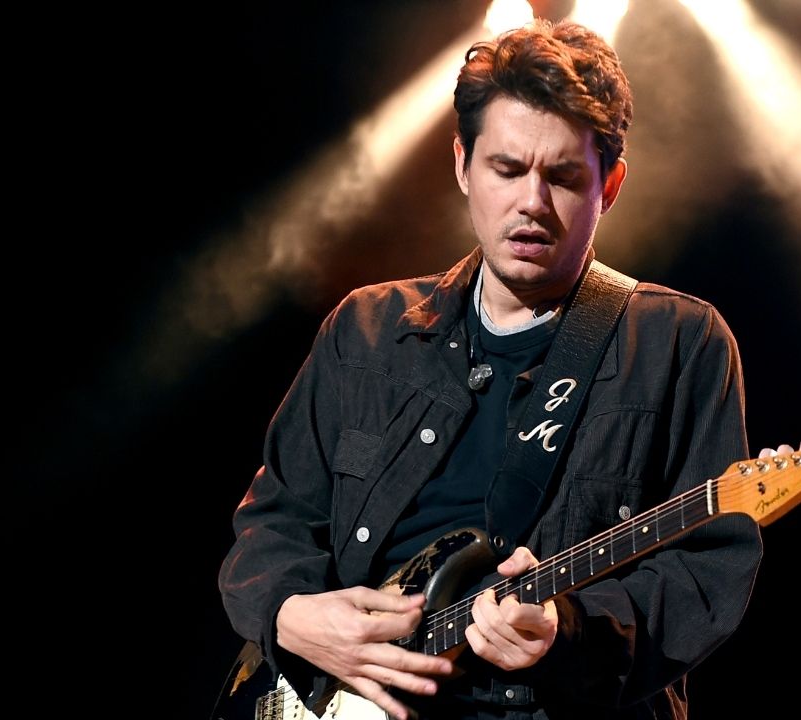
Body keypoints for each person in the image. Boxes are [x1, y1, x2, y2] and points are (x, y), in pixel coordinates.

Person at [218, 19, 763, 720]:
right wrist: (290, 614)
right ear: (462, 165)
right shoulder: (366, 329)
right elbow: (275, 518)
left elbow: (705, 572)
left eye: (563, 177)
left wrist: (566, 629)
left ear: (611, 185)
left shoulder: (680, 343)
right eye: (507, 169)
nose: (532, 203)